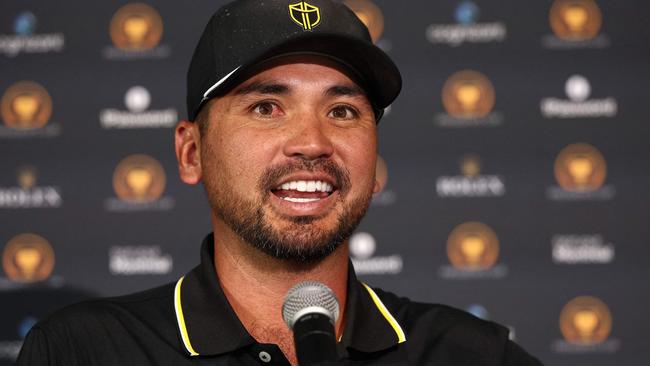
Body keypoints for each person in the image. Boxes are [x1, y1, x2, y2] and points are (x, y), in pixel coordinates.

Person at [17, 0, 542, 365]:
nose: (312, 142)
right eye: (267, 107)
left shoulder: (475, 355)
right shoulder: (81, 351)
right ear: (191, 152)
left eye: (341, 110)